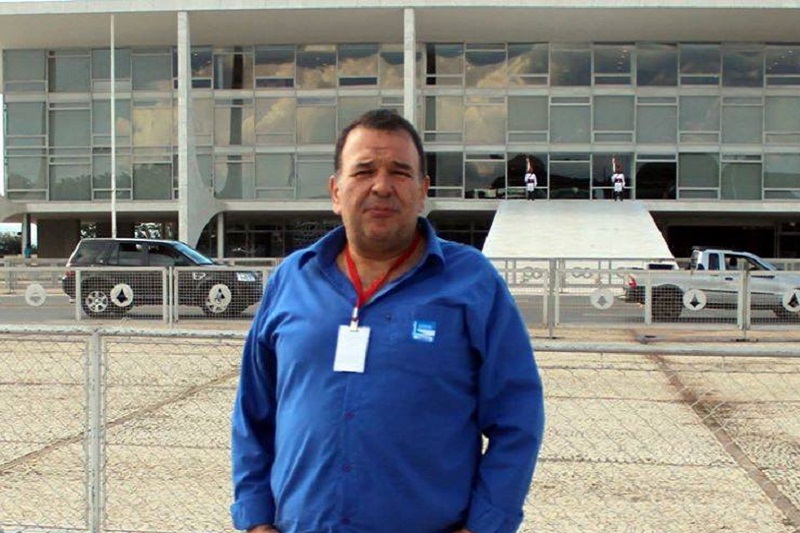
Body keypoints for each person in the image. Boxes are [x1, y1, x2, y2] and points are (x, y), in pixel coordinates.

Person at [230, 109, 545, 533]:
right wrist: (255, 520)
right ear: (336, 191)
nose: (381, 186)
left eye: (399, 172)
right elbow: (253, 413)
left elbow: (518, 418)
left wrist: (485, 525)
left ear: (422, 191)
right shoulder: (292, 279)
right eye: (364, 171)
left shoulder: (473, 283)